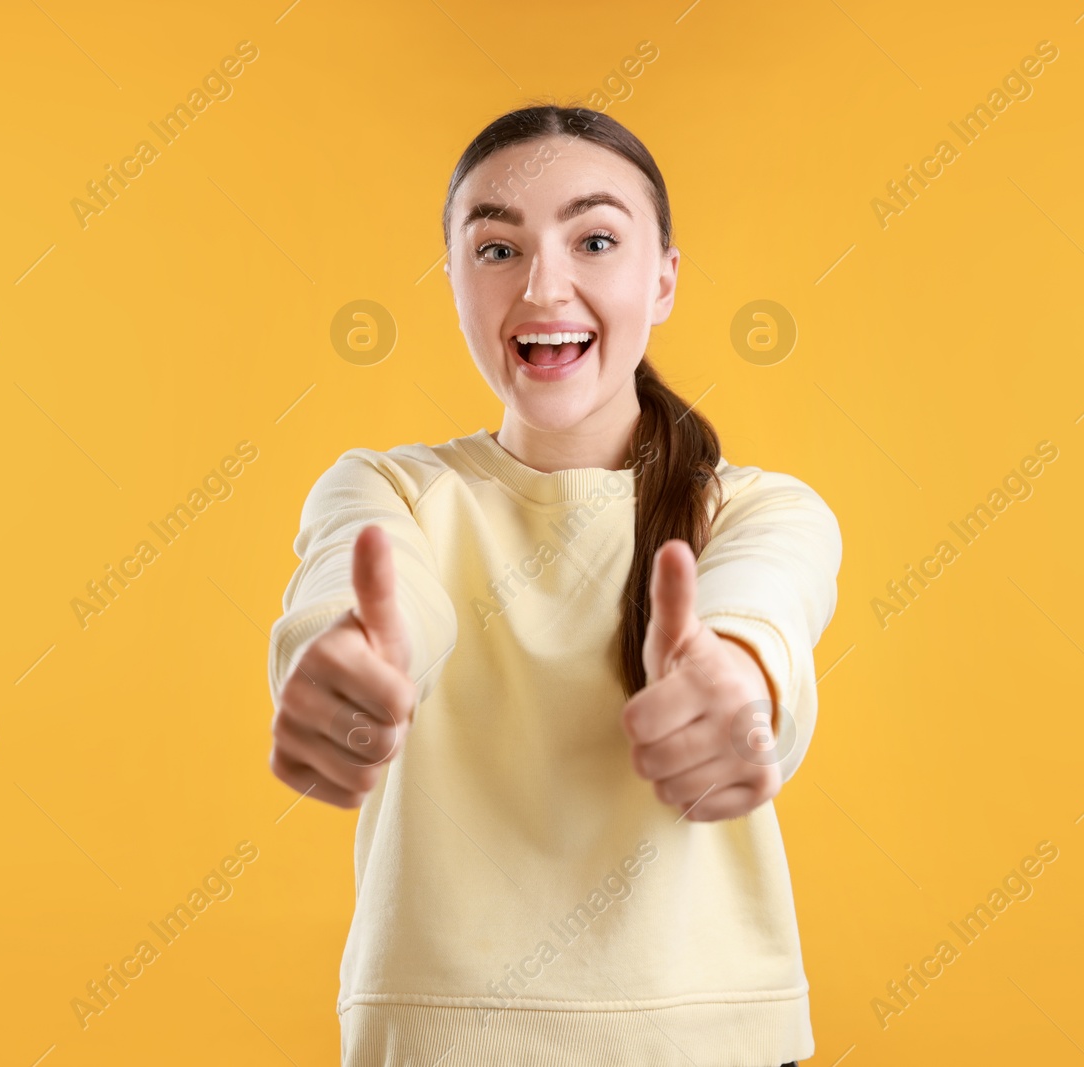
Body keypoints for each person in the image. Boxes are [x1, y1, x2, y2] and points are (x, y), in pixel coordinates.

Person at [267, 104, 841, 1067]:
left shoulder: (758, 510)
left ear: (663, 281)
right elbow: (368, 590)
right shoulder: (392, 490)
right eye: (497, 248)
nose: (544, 284)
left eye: (597, 239)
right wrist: (356, 661)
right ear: (451, 279)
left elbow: (761, 615)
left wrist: (733, 685)